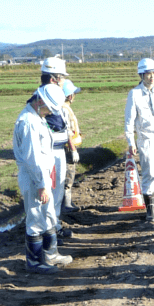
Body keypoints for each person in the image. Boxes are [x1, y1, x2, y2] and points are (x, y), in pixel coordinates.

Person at [14, 83, 72, 274]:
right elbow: (33, 158)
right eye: (48, 109)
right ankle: (35, 261)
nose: (49, 113)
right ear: (39, 101)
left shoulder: (37, 117)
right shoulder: (28, 122)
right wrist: (41, 184)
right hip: (33, 177)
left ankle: (50, 254)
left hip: (42, 176)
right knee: (36, 217)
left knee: (47, 214)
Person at [124, 58, 154, 222]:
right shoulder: (135, 94)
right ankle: (150, 211)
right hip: (147, 139)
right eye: (148, 74)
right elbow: (129, 120)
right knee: (150, 173)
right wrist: (131, 141)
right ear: (141, 75)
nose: (151, 77)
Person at [39, 57, 72, 241]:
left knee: (57, 191)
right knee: (51, 192)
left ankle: (54, 225)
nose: (62, 83)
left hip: (58, 150)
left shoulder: (49, 96)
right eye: (61, 78)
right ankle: (49, 229)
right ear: (53, 79)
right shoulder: (46, 99)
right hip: (51, 152)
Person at [60, 79, 83, 214]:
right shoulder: (64, 109)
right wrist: (73, 149)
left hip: (69, 147)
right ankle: (65, 204)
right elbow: (67, 131)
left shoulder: (65, 108)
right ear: (69, 95)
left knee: (69, 175)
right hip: (68, 148)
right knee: (68, 175)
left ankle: (68, 202)